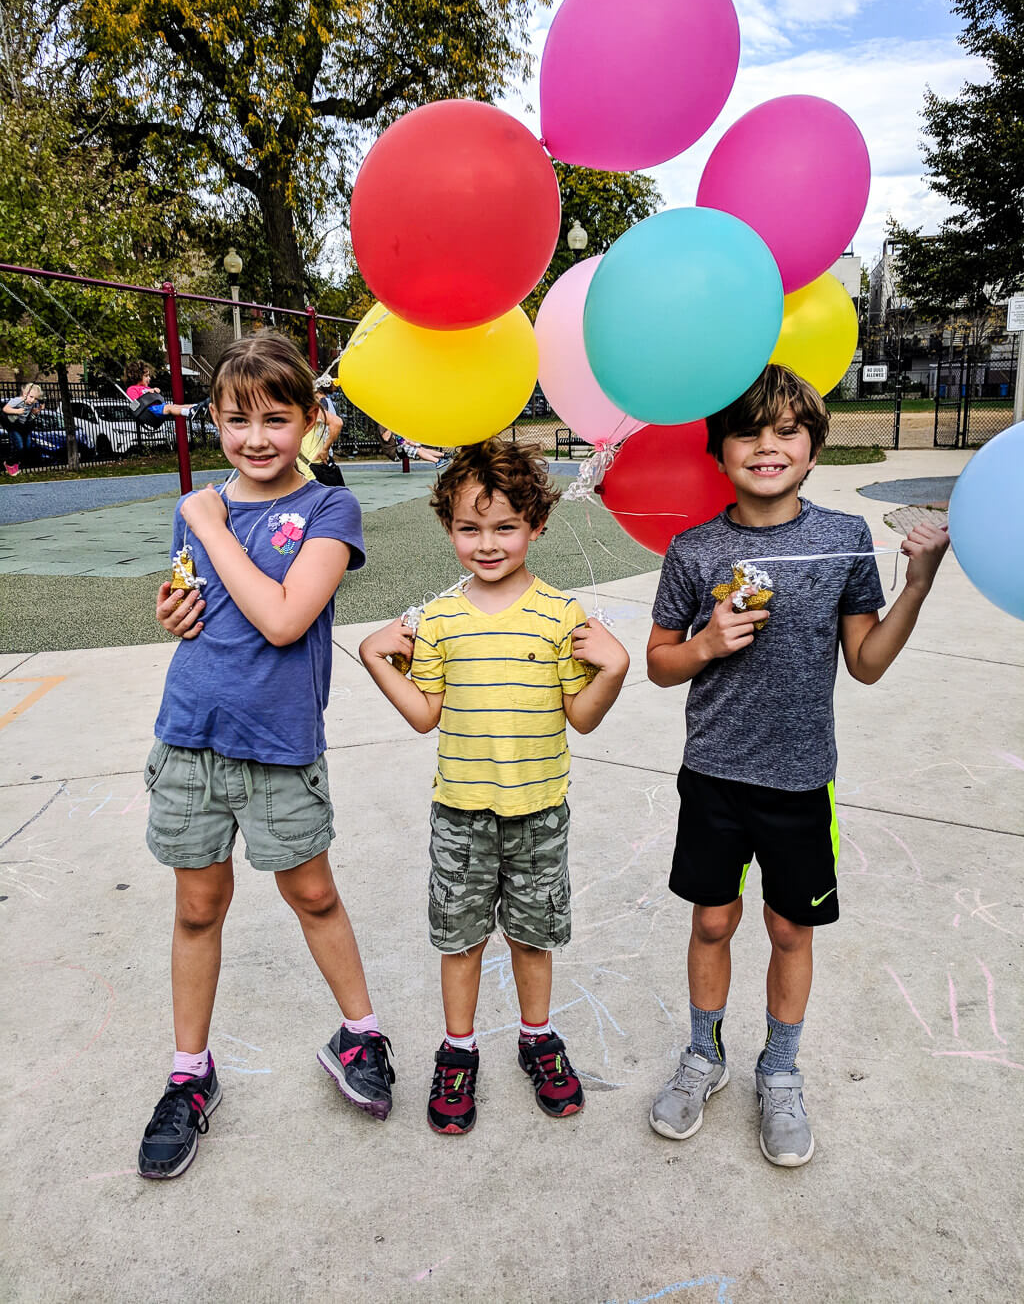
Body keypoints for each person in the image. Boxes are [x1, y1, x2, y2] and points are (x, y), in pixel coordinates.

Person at [646, 364, 949, 1167]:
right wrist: (705, 642)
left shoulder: (847, 539)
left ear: (813, 449)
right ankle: (703, 1054)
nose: (768, 445)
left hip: (800, 778)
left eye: (787, 431)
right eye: (749, 431)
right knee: (712, 919)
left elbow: (868, 661)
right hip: (712, 773)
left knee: (790, 928)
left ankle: (779, 1067)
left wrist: (913, 587)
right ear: (719, 452)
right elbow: (658, 663)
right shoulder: (694, 548)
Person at [138, 330, 394, 1181]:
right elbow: (190, 596)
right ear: (213, 420)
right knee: (198, 908)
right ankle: (189, 1073)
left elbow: (285, 617)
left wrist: (211, 529)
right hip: (191, 737)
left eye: (276, 419)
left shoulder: (328, 509)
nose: (255, 438)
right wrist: (172, 605)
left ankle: (360, 1035)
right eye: (236, 418)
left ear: (311, 422)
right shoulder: (199, 509)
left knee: (312, 891)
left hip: (279, 747)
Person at [359, 439, 629, 1135]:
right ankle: (458, 1049)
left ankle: (537, 1037)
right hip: (461, 813)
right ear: (448, 526)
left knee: (532, 939)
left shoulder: (561, 615)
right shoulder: (439, 619)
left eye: (505, 525)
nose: (487, 543)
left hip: (539, 812)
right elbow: (424, 715)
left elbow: (583, 718)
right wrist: (374, 657)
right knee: (462, 940)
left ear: (537, 525)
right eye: (469, 527)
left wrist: (614, 669)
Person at [297, 387, 345, 485]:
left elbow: (337, 423)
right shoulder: (303, 409)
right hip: (307, 466)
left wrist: (325, 449)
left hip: (309, 467)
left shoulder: (306, 410)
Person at [2, 381, 43, 475]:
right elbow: (5, 409)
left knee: (27, 446)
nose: (33, 400)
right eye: (31, 397)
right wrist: (16, 411)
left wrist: (37, 411)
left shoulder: (32, 404)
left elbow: (29, 416)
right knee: (19, 446)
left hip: (23, 427)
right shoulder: (17, 400)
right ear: (25, 394)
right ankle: (8, 463)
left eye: (35, 398)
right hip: (13, 426)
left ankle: (16, 463)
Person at [125, 364, 191, 422]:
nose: (149, 378)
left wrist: (154, 392)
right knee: (169, 408)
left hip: (157, 408)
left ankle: (194, 407)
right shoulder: (132, 389)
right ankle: (188, 412)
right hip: (149, 411)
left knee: (174, 406)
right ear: (138, 376)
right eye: (146, 376)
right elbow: (134, 405)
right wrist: (146, 394)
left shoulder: (147, 388)